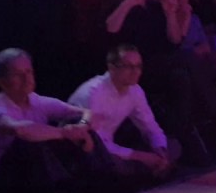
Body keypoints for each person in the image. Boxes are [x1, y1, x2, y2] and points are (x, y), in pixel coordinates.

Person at [0, 49, 149, 193]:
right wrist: (64, 133)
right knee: (29, 143)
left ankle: (104, 181)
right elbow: (21, 130)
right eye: (18, 74)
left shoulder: (36, 100)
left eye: (29, 71)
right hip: (3, 186)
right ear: (2, 82)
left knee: (74, 124)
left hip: (29, 180)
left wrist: (80, 128)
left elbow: (87, 114)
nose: (27, 78)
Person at [69, 45, 176, 176]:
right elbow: (98, 144)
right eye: (129, 67)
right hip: (90, 151)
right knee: (116, 165)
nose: (136, 72)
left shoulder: (135, 90)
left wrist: (160, 151)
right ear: (112, 68)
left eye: (138, 66)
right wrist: (140, 156)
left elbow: (150, 126)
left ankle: (151, 170)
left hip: (113, 146)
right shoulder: (93, 94)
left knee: (172, 146)